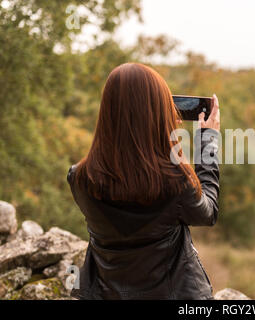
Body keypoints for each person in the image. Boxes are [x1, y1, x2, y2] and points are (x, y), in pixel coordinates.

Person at [67, 62, 220, 299]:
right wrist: (206, 142)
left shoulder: (80, 178)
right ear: (157, 113)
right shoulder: (175, 182)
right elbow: (208, 213)